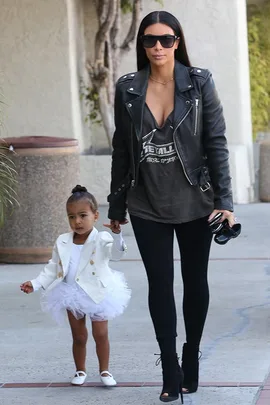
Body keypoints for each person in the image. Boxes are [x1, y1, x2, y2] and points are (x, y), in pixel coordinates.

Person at [106, 10, 235, 403]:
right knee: (160, 284)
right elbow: (120, 151)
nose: (157, 47)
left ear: (177, 41)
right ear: (142, 45)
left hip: (197, 201)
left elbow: (216, 142)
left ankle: (190, 357)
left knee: (195, 283)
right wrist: (116, 204)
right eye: (149, 40)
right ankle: (169, 365)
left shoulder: (199, 84)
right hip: (146, 202)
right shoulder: (128, 88)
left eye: (165, 39)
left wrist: (226, 202)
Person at [20, 185, 131, 387]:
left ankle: (105, 371)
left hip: (98, 292)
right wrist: (35, 284)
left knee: (100, 334)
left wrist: (116, 235)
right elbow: (53, 267)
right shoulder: (63, 241)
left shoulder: (102, 238)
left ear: (95, 215)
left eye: (82, 215)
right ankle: (80, 370)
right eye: (71, 217)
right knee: (79, 336)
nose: (77, 221)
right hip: (72, 293)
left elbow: (116, 255)